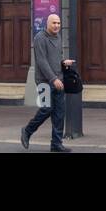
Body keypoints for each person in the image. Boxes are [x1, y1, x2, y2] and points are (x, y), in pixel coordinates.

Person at [21, 13, 74, 153]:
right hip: (44, 81)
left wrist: (63, 62)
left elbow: (57, 58)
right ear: (47, 24)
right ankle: (27, 131)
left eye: (58, 23)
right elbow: (42, 62)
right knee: (46, 109)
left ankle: (56, 144)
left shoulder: (58, 37)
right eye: (54, 23)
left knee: (59, 113)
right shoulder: (40, 38)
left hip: (58, 80)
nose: (57, 26)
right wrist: (53, 79)